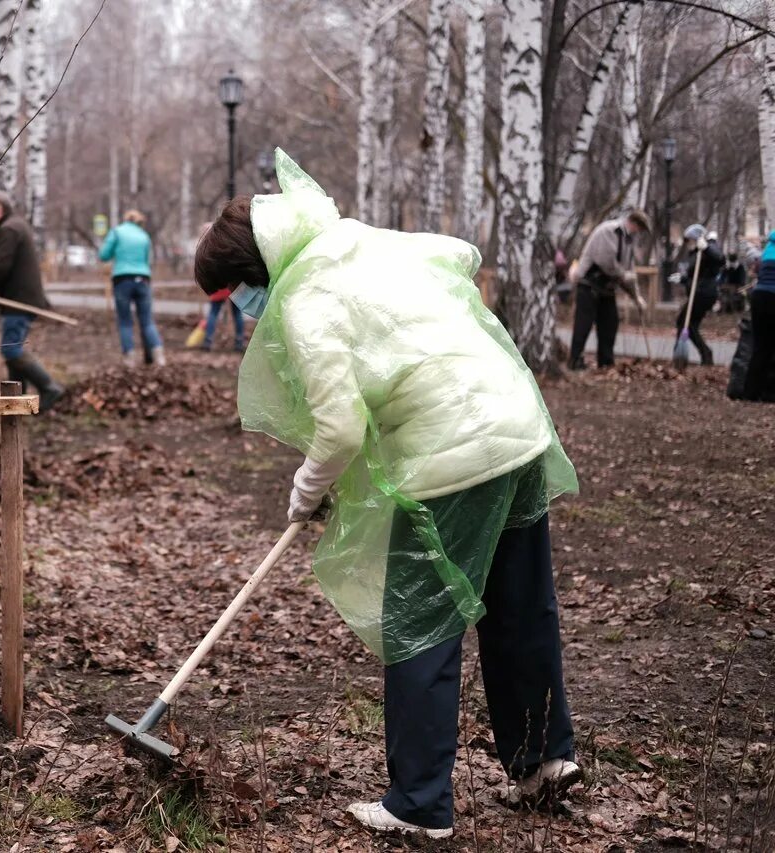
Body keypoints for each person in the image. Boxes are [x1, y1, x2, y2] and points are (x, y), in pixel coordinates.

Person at [193, 150, 581, 840]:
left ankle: (420, 802)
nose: (245, 313)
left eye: (235, 297)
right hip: (515, 423)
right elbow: (459, 253)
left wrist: (304, 488)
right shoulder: (353, 241)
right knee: (521, 604)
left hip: (452, 454)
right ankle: (543, 758)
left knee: (419, 621)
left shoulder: (307, 297)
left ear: (252, 275)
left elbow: (340, 427)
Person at [0, 192, 65, 412]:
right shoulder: (13, 227)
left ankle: (49, 388)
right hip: (19, 299)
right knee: (13, 349)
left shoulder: (10, 229)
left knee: (11, 350)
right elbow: (0, 255)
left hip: (19, 300)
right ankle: (17, 399)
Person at [568, 211, 649, 370]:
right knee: (583, 325)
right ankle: (575, 360)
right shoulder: (608, 231)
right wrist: (624, 276)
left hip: (607, 289)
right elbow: (606, 262)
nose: (638, 232)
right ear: (633, 223)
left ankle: (606, 362)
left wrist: (636, 297)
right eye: (639, 228)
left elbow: (628, 272)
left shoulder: (628, 241)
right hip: (589, 285)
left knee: (610, 325)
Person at [99, 209, 165, 367]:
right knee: (147, 321)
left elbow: (104, 255)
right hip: (143, 279)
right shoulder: (144, 236)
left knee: (125, 321)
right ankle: (159, 356)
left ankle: (130, 359)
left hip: (122, 280)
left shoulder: (117, 232)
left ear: (125, 219)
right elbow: (148, 260)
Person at [675, 224, 725, 365]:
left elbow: (720, 259)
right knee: (688, 324)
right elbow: (694, 274)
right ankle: (686, 357)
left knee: (684, 322)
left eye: (690, 240)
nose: (688, 244)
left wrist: (707, 248)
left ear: (697, 238)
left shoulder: (708, 248)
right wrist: (682, 278)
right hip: (698, 293)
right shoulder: (696, 253)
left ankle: (685, 358)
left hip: (703, 294)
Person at [742, 231, 775, 401]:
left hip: (759, 297)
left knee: (760, 347)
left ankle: (751, 392)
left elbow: (757, 272)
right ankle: (770, 393)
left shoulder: (767, 250)